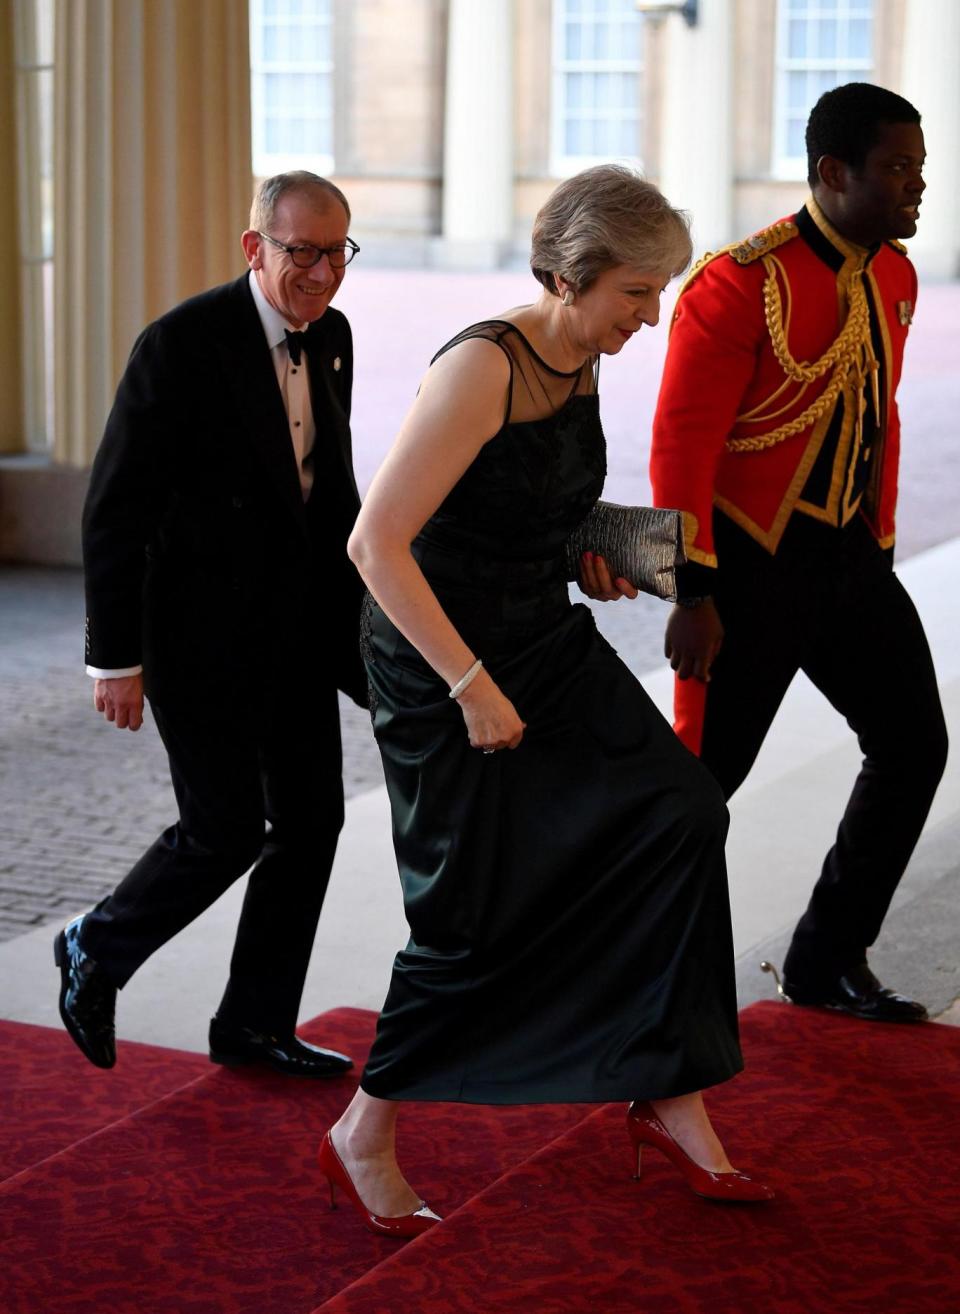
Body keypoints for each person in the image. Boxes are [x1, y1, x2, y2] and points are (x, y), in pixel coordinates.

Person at [317, 165, 773, 1240]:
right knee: (474, 909)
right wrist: (469, 686)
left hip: (537, 633)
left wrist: (598, 549)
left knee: (679, 810)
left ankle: (666, 1086)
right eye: (637, 293)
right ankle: (364, 1131)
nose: (653, 315)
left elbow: (527, 510)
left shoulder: (580, 355)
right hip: (441, 657)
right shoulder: (484, 366)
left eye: (659, 291)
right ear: (571, 277)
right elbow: (375, 546)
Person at [55, 171, 367, 1078]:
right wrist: (114, 658)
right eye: (300, 250)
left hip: (299, 632)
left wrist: (366, 631)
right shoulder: (181, 346)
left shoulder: (334, 337)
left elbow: (328, 492)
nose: (320, 273)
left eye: (337, 251)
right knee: (224, 828)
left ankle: (254, 1025)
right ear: (255, 248)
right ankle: (95, 947)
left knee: (312, 825)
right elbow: (113, 512)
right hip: (196, 636)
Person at [650, 83, 948, 1024]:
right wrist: (691, 592)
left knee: (913, 745)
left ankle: (826, 959)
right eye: (897, 168)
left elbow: (878, 420)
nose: (918, 186)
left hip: (848, 559)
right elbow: (681, 448)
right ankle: (626, 985)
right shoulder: (739, 282)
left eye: (919, 167)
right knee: (694, 794)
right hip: (744, 569)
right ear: (833, 172)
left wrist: (882, 544)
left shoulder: (893, 277)